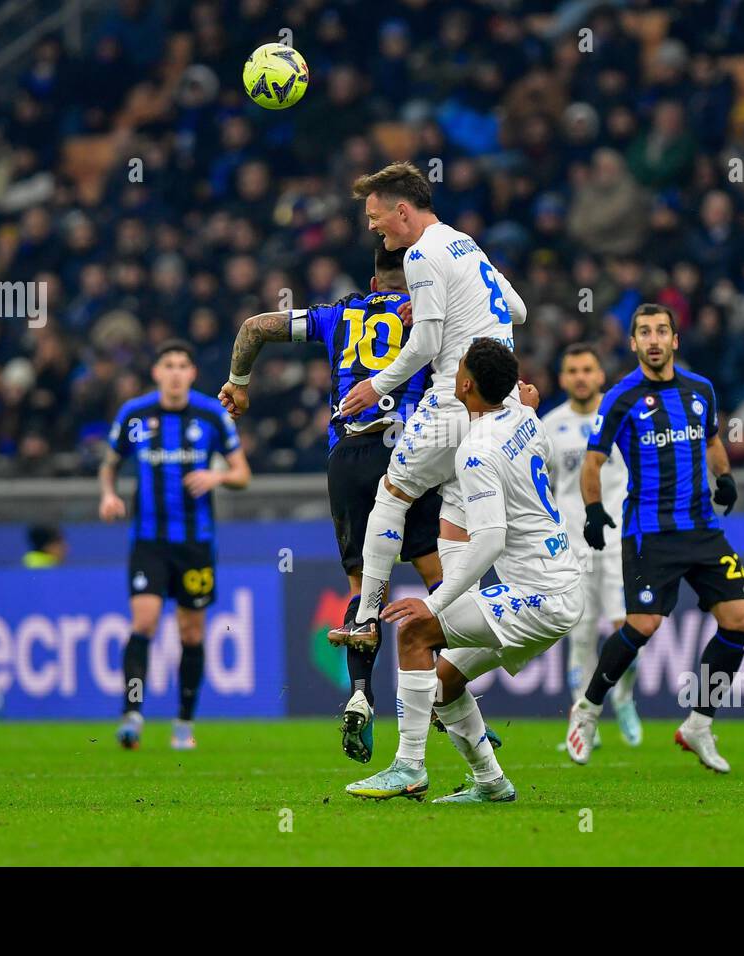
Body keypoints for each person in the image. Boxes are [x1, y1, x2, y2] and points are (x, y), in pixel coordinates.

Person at [218, 243, 444, 764]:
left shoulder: (337, 314)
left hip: (345, 457)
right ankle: (448, 691)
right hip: (402, 452)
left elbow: (254, 327)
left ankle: (360, 694)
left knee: (365, 589)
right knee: (442, 577)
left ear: (372, 280)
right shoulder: (429, 311)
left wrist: (239, 384)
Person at [346, 340, 582, 803]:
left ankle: (409, 767)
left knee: (415, 632)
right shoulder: (525, 417)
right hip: (562, 584)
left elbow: (490, 540)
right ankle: (492, 783)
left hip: (537, 594)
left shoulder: (475, 452)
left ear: (466, 383)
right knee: (448, 678)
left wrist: (433, 601)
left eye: (458, 367)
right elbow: (543, 453)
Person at [327, 161, 529, 659]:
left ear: (402, 210)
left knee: (391, 496)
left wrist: (377, 385)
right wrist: (448, 303)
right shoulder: (466, 243)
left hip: (453, 403)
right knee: (454, 534)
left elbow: (426, 344)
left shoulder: (420, 255)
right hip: (500, 414)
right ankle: (459, 654)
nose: (371, 226)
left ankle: (366, 617)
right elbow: (518, 311)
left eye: (375, 216)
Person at [566, 304, 744, 773]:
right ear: (632, 343)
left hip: (704, 530)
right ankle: (587, 710)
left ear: (675, 340)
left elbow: (711, 441)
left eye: (661, 331)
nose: (653, 339)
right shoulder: (621, 398)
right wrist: (593, 511)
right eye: (644, 332)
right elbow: (593, 463)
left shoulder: (700, 390)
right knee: (643, 625)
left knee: (738, 620)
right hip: (650, 533)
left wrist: (724, 477)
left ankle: (699, 724)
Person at [100, 339, 251, 751]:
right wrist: (108, 495)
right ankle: (131, 713)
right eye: (168, 364)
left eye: (183, 364)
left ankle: (183, 723)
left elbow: (242, 473)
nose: (175, 371)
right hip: (148, 541)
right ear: (156, 373)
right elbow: (109, 464)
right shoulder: (134, 415)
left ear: (192, 373)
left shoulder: (212, 416)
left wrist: (217, 477)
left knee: (190, 633)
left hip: (196, 544)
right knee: (144, 623)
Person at [541, 343, 641, 748]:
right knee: (579, 636)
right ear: (563, 378)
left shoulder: (621, 418)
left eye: (587, 369)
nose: (580, 376)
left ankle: (624, 696)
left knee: (629, 630)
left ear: (601, 375)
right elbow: (540, 487)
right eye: (572, 370)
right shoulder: (548, 425)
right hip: (572, 548)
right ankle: (583, 722)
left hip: (619, 540)